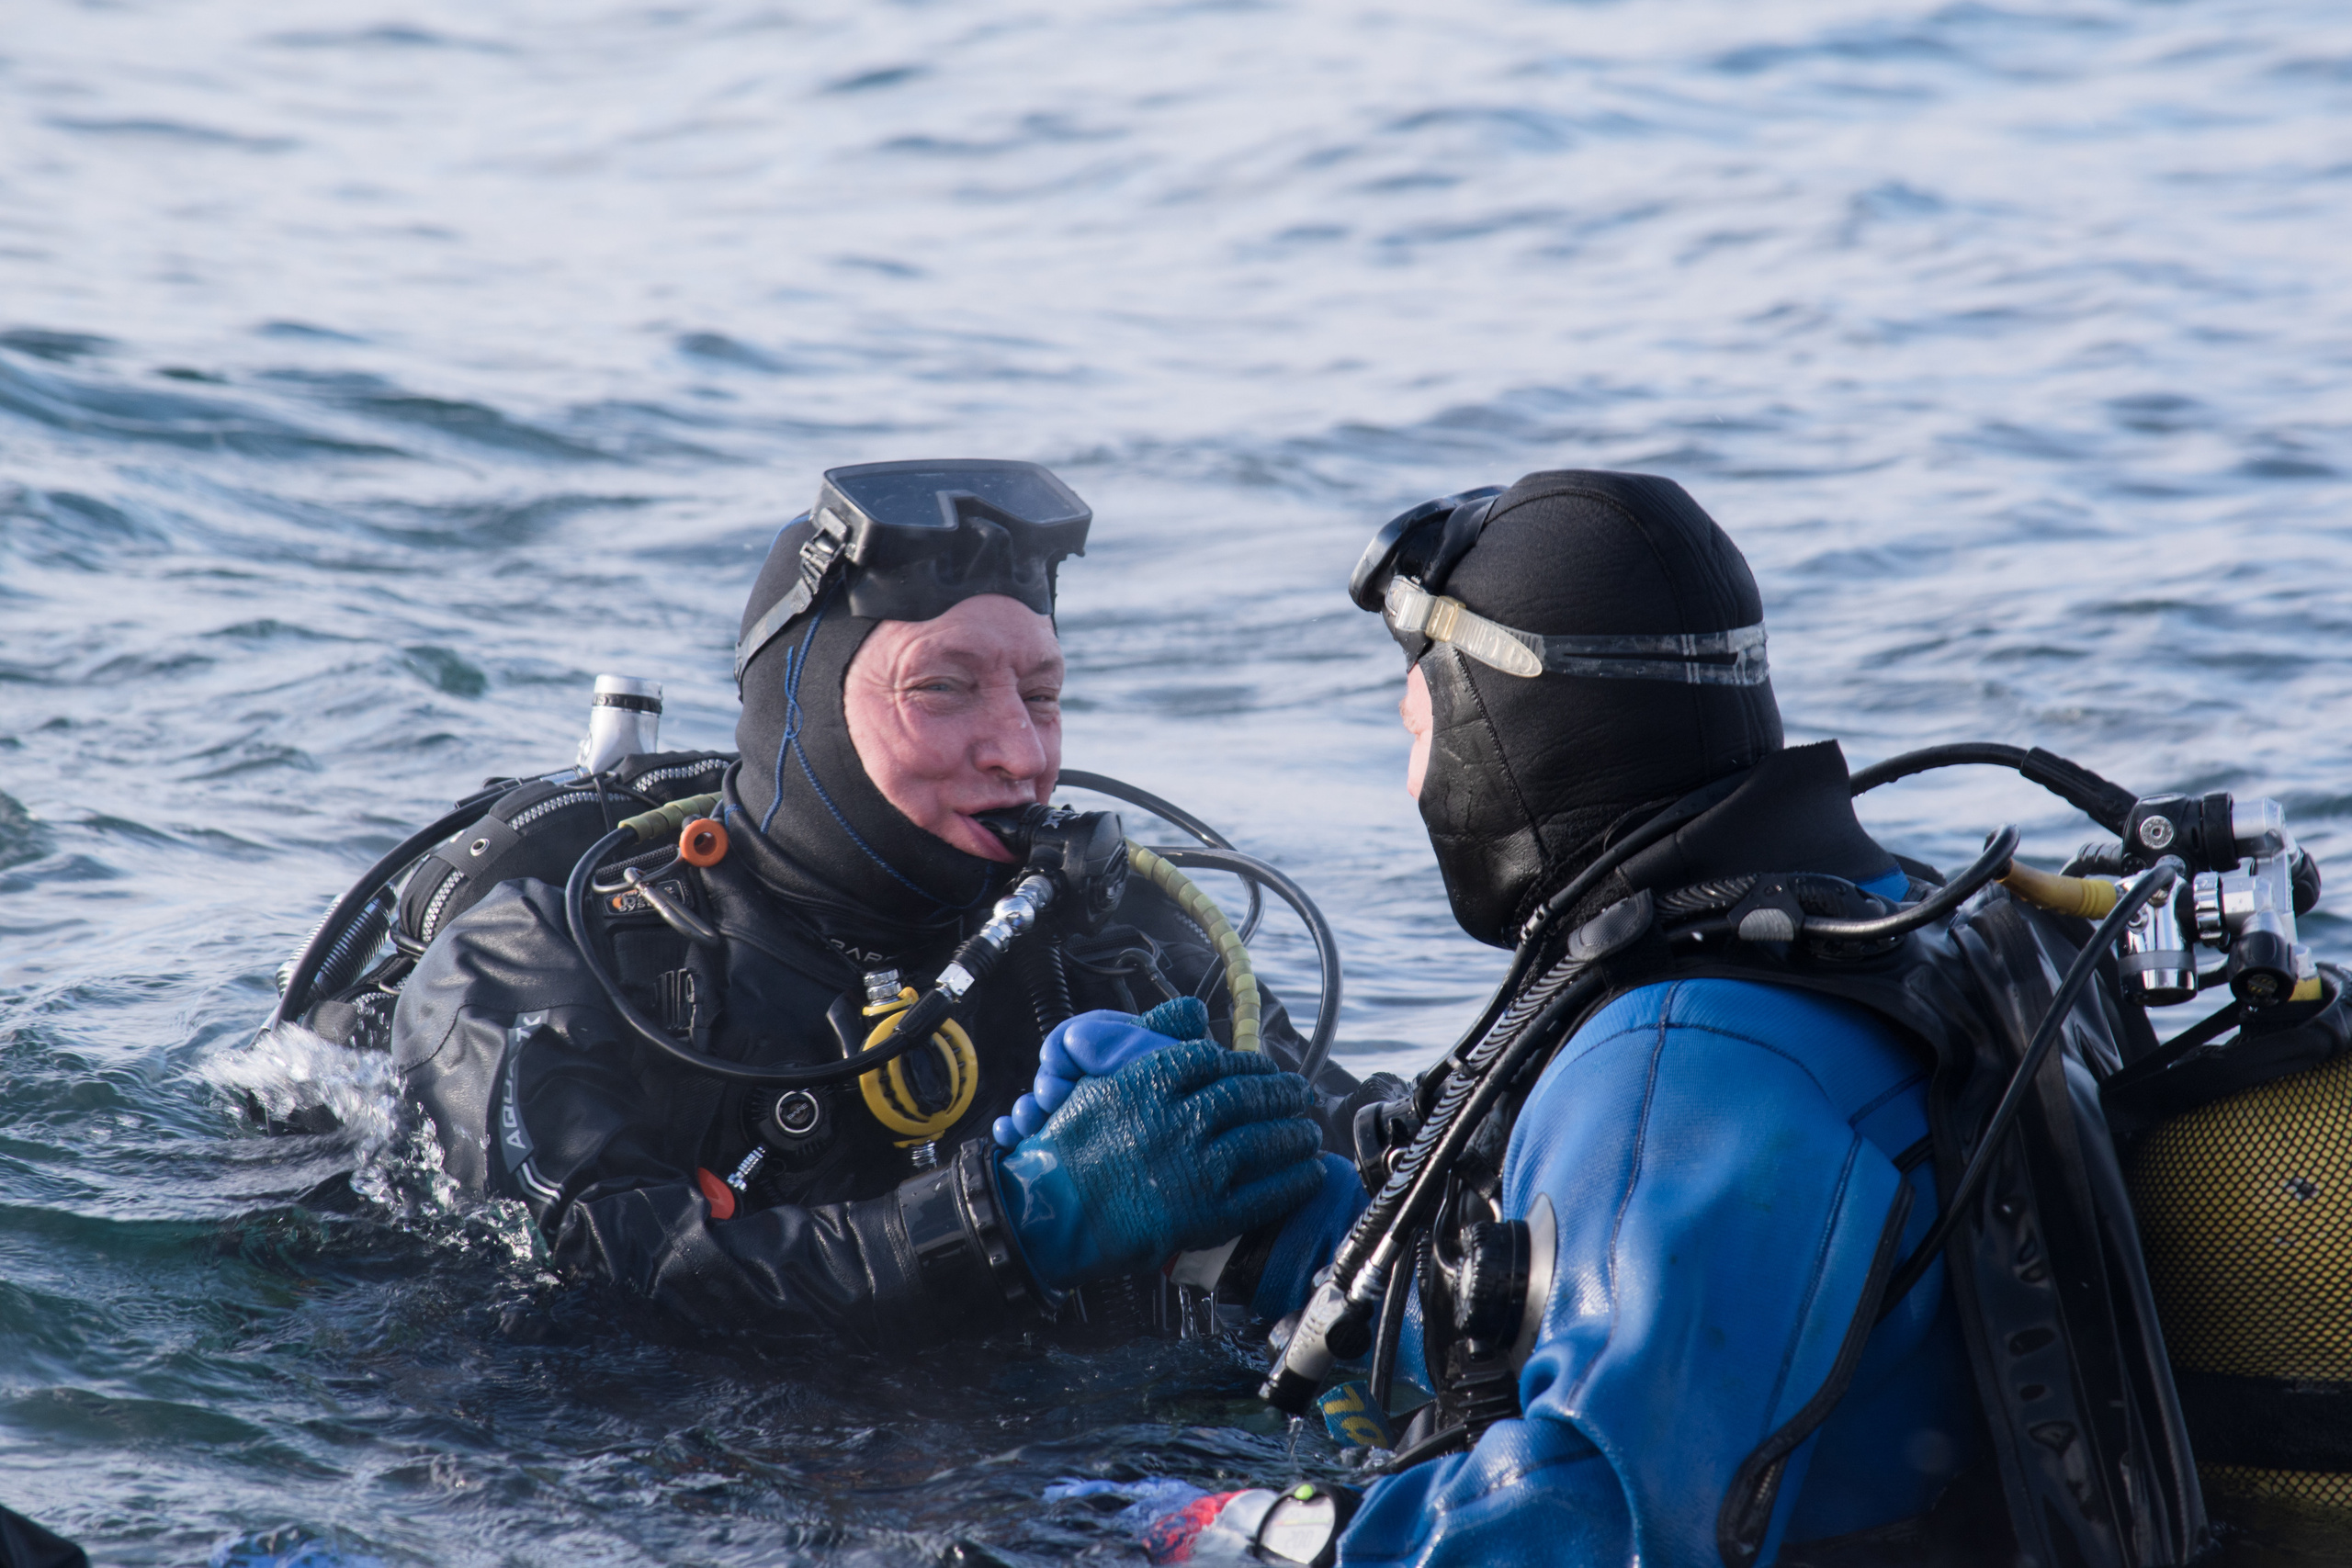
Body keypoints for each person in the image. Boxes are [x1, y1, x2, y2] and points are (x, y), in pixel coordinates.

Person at [1076, 468, 2349, 1568]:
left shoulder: (1683, 1058)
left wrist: (1250, 1530)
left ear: (1497, 730)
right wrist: (1289, 1239)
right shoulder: (1912, 922)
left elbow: (1596, 1524)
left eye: (1417, 728)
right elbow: (1649, 1332)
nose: (1413, 783)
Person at [389, 459, 1376, 1343]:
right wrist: (1011, 1220)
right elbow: (577, 1285)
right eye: (942, 689)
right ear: (802, 716)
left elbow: (1352, 1148)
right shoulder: (558, 956)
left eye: (1040, 695)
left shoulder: (1126, 952)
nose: (1020, 753)